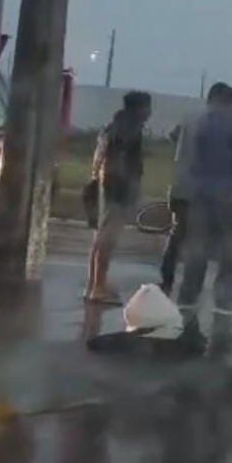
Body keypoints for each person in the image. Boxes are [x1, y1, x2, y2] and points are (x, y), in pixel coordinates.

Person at [176, 87, 232, 312]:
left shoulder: (200, 122)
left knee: (197, 246)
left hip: (198, 193)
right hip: (226, 195)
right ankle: (224, 295)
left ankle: (188, 296)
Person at [158, 82, 232, 294]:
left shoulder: (189, 116)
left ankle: (166, 280)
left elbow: (171, 136)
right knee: (199, 240)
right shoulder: (217, 122)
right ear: (219, 99)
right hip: (200, 191)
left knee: (176, 235)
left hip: (179, 183)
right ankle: (190, 288)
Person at [86, 90, 152, 304]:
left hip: (107, 184)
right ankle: (97, 287)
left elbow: (102, 158)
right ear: (139, 108)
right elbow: (122, 161)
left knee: (101, 237)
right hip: (117, 187)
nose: (149, 112)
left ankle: (95, 283)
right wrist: (131, 188)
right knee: (108, 238)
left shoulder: (114, 125)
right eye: (147, 107)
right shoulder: (129, 128)